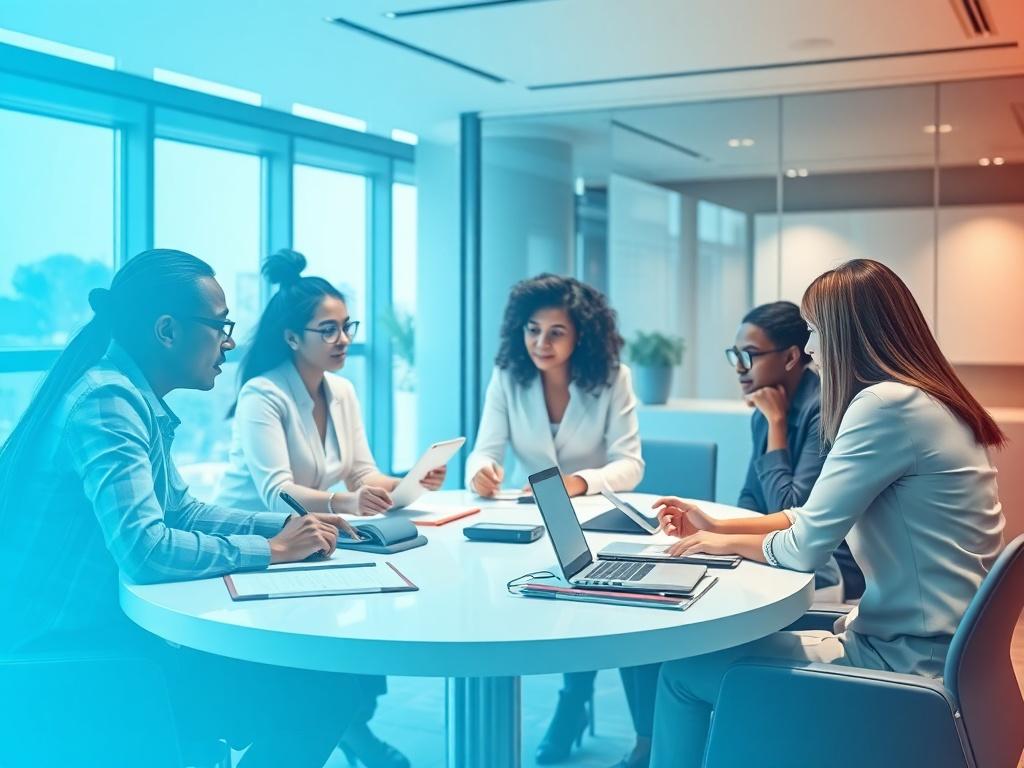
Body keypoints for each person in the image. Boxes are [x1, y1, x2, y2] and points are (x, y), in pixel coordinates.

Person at [0, 249, 372, 768]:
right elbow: (145, 550)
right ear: (167, 331)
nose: (230, 341)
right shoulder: (108, 401)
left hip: (97, 640)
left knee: (319, 691)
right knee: (322, 697)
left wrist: (289, 526)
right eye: (220, 325)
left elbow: (182, 511)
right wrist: (272, 549)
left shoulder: (127, 394)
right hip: (64, 660)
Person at [648, 259, 1005, 768]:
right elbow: (809, 515)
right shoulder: (932, 401)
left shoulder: (884, 406)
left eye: (814, 331)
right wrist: (720, 526)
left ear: (846, 334)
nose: (810, 350)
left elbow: (804, 548)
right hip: (936, 652)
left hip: (902, 666)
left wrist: (717, 544)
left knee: (681, 674)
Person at [216, 249, 442, 768]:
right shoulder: (262, 395)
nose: (344, 340)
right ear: (293, 337)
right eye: (329, 329)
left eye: (347, 326)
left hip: (314, 541)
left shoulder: (340, 390)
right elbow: (277, 490)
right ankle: (346, 731)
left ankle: (351, 728)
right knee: (326, 646)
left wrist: (410, 480)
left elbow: (363, 474)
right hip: (259, 547)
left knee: (366, 609)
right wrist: (348, 500)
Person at [464, 273, 645, 765]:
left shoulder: (613, 378)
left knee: (597, 602)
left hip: (595, 521)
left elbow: (630, 463)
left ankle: (572, 700)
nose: (540, 343)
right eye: (532, 329)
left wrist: (579, 481)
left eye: (555, 332)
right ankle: (572, 696)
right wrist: (482, 472)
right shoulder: (508, 376)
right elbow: (482, 450)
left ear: (580, 335)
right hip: (533, 522)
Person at [729, 300, 856, 597]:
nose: (738, 368)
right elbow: (751, 497)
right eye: (734, 356)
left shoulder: (824, 410)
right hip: (779, 554)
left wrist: (777, 424)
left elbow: (789, 509)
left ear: (790, 357)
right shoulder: (764, 407)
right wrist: (731, 548)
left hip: (828, 568)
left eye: (749, 355)